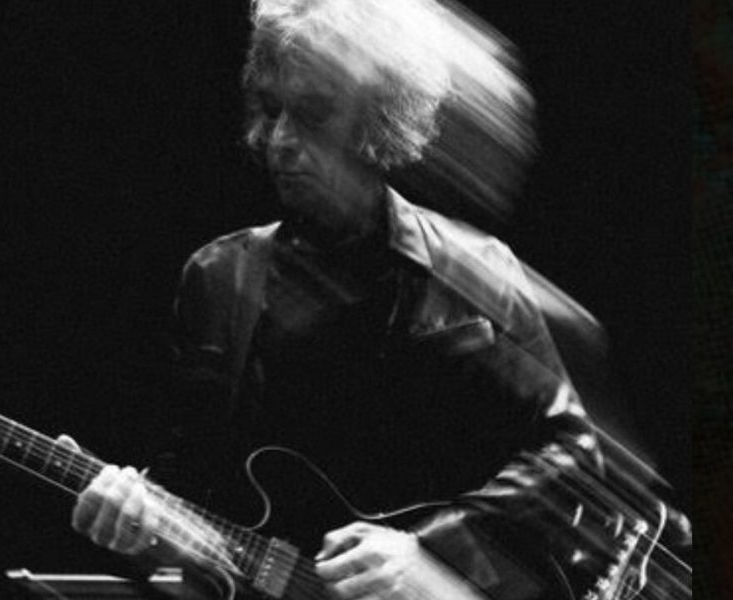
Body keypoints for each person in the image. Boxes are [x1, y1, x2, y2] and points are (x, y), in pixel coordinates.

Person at [60, 1, 614, 598]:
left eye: (313, 114)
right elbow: (192, 506)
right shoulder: (218, 278)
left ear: (381, 118)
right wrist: (139, 526)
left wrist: (431, 554)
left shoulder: (472, 271)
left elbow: (574, 460)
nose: (279, 140)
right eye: (271, 109)